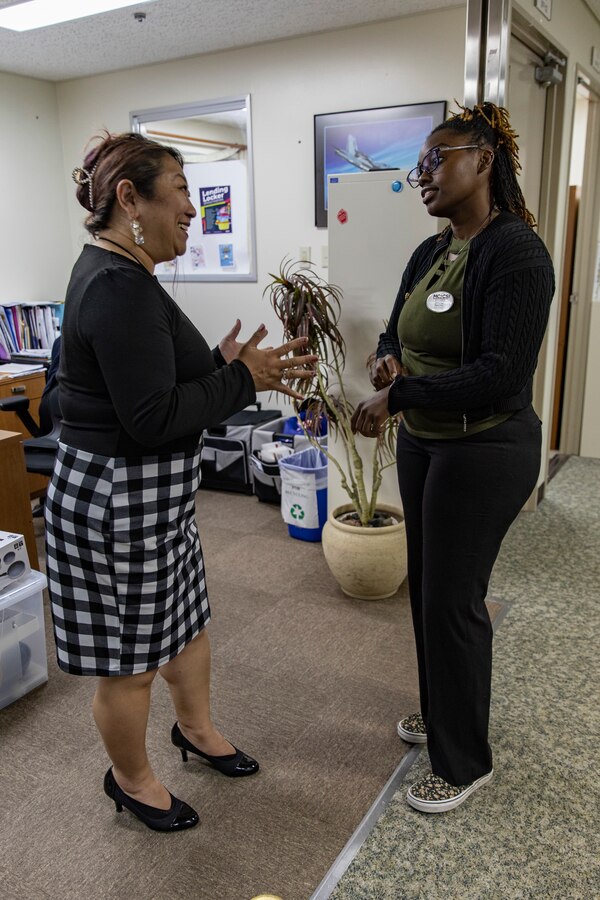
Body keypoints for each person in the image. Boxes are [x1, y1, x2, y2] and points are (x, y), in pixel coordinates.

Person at [45, 132, 316, 832]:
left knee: (186, 624)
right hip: (117, 501)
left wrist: (223, 364)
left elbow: (148, 380)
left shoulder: (126, 275)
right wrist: (241, 378)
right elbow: (152, 416)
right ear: (129, 198)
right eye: (180, 191)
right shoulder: (115, 285)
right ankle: (131, 780)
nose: (193, 210)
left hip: (154, 499)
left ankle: (193, 731)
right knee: (131, 662)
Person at [351, 103, 554, 813]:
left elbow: (502, 371)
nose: (422, 174)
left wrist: (401, 396)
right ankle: (440, 716)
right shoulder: (431, 249)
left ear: (482, 160)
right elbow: (392, 328)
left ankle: (466, 763)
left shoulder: (518, 253)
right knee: (428, 590)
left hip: (487, 445)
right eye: (419, 165)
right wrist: (386, 361)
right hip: (429, 442)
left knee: (453, 598)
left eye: (435, 159)